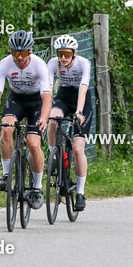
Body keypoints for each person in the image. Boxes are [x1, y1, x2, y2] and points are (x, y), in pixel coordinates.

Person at [0, 30, 52, 210]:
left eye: (23, 53)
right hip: (17, 100)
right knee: (6, 130)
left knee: (33, 144)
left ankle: (37, 187)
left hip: (37, 102)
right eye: (16, 53)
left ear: (30, 51)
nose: (20, 57)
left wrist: (44, 118)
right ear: (11, 51)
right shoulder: (4, 64)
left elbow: (47, 97)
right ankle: (7, 175)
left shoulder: (39, 65)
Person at [46, 34, 92, 211]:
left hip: (81, 100)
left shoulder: (83, 63)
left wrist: (79, 112)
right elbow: (48, 89)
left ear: (74, 53)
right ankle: (54, 156)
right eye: (60, 53)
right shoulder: (52, 64)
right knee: (53, 121)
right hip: (64, 97)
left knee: (77, 149)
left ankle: (80, 192)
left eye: (66, 53)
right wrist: (46, 111)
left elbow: (83, 90)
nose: (63, 57)